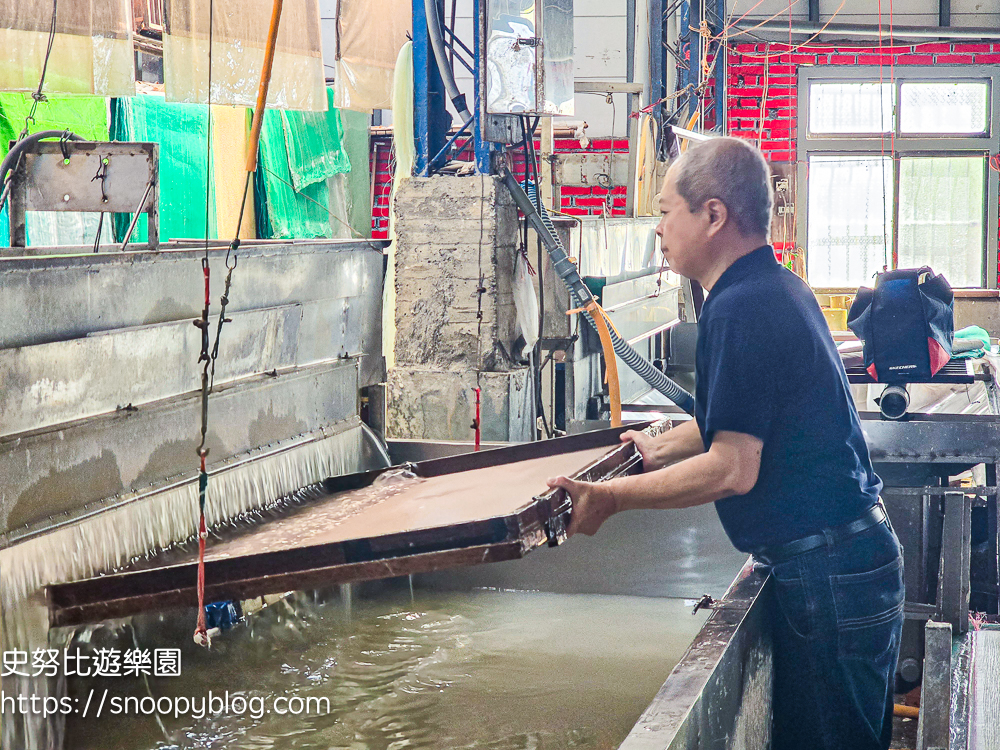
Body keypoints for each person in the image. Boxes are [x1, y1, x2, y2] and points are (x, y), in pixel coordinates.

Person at [546, 137, 904, 750]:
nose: (657, 229)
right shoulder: (772, 288)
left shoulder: (740, 307)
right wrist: (658, 447)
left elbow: (733, 467)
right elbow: (740, 420)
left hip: (827, 573)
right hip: (843, 561)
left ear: (712, 216)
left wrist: (610, 499)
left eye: (664, 212)